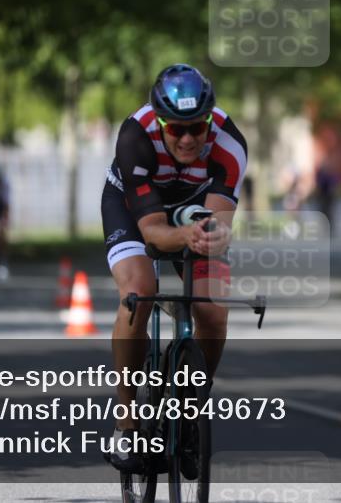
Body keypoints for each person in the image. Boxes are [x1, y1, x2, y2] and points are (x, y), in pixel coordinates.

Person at [102, 63, 247, 473]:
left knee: (213, 310)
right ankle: (127, 420)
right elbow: (151, 232)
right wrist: (186, 237)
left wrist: (214, 235)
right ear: (159, 121)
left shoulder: (230, 144)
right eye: (176, 129)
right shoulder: (135, 136)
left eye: (197, 128)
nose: (186, 138)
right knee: (139, 289)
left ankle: (193, 403)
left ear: (210, 122)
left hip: (193, 210)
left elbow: (218, 221)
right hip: (134, 211)